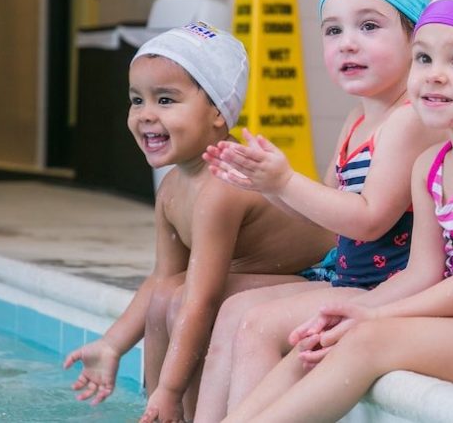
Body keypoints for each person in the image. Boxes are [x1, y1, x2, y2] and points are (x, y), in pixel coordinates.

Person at [224, 0, 453, 422]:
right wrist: (357, 310)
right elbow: (422, 272)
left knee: (366, 341)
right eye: (424, 57)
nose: (435, 73)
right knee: (323, 337)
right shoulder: (430, 164)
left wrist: (375, 320)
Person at [195, 0, 442, 421]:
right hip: (350, 278)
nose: (347, 42)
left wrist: (285, 181)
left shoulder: (409, 119)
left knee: (260, 325)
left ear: (416, 38)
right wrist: (263, 184)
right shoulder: (357, 118)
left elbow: (369, 220)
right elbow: (327, 211)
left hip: (387, 288)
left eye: (368, 26)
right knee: (233, 311)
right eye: (333, 30)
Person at [61, 21, 335, 422]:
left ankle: (176, 406)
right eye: (137, 100)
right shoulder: (172, 187)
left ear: (217, 114)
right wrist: (112, 344)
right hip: (269, 280)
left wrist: (173, 389)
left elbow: (200, 299)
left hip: (320, 277)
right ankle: (155, 411)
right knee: (165, 295)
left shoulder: (222, 185)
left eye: (166, 100)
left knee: (181, 299)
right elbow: (161, 280)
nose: (146, 115)